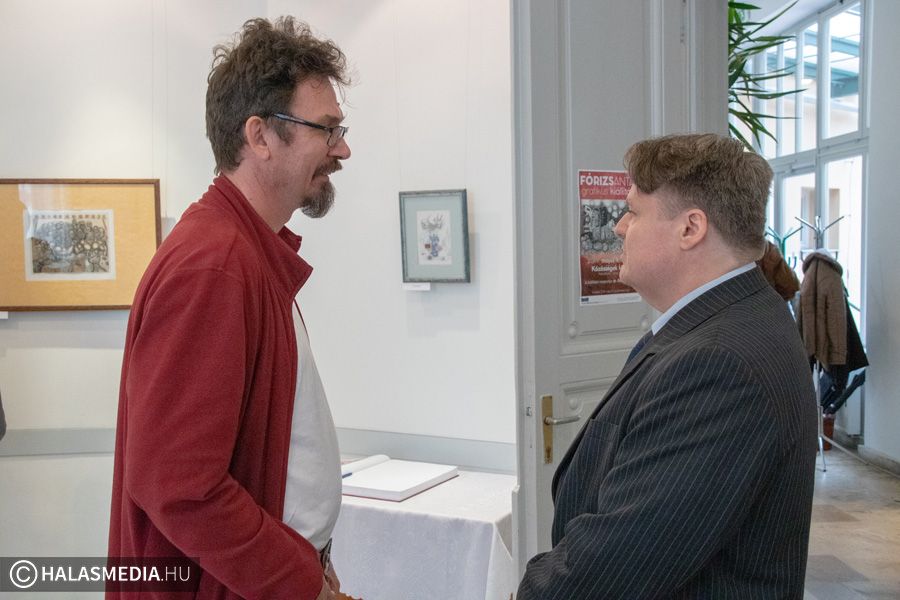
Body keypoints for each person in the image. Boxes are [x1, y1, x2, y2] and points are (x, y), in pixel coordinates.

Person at [107, 17, 351, 600]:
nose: (342, 149)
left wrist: (310, 560)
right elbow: (179, 485)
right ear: (260, 136)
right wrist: (300, 581)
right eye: (327, 129)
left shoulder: (242, 252)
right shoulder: (214, 265)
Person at [518, 134, 817, 599]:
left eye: (634, 212)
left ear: (690, 228)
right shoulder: (730, 318)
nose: (620, 227)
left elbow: (619, 563)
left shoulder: (719, 363)